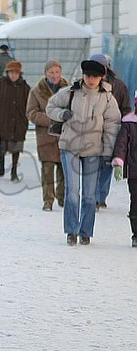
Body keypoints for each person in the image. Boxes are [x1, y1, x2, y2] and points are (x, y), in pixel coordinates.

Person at [47, 59, 121, 246]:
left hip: (94, 150)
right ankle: (71, 231)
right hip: (69, 147)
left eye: (95, 76)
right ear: (83, 75)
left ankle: (86, 231)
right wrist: (61, 114)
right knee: (72, 191)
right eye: (88, 76)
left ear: (101, 77)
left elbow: (112, 126)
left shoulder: (107, 98)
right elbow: (51, 107)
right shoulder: (70, 92)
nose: (91, 80)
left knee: (89, 195)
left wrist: (108, 152)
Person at [89, 54, 131, 210]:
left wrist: (125, 128)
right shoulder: (88, 84)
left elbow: (126, 108)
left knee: (106, 165)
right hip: (92, 131)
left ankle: (101, 196)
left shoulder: (119, 86)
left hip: (112, 132)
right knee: (91, 164)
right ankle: (92, 197)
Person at [26, 60, 69, 211]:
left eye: (57, 72)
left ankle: (62, 197)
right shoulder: (36, 91)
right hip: (46, 136)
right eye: (51, 72)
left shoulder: (69, 90)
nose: (55, 75)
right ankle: (48, 200)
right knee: (47, 170)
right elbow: (31, 113)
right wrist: (52, 118)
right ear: (45, 74)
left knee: (64, 170)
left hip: (64, 136)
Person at [0, 60, 30, 182]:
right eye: (11, 72)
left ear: (20, 74)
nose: (13, 75)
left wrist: (29, 118)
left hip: (19, 122)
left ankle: (14, 171)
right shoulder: (0, 84)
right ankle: (1, 163)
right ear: (7, 73)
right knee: (2, 147)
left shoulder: (25, 87)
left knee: (16, 148)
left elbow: (29, 105)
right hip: (3, 121)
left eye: (16, 73)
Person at [111, 98, 137, 247]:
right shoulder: (129, 123)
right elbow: (122, 144)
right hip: (135, 171)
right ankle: (136, 234)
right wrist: (119, 162)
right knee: (136, 203)